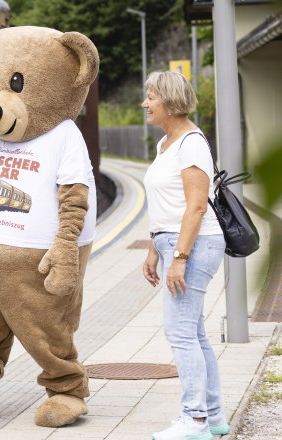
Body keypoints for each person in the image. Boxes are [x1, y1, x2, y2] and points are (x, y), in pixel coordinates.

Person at [141, 71, 230, 440]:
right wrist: (153, 248)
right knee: (193, 332)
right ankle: (213, 417)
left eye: (150, 96)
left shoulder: (191, 143)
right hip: (174, 243)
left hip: (195, 245)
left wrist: (179, 257)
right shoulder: (166, 144)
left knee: (179, 332)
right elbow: (167, 203)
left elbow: (195, 207)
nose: (144, 103)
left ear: (172, 101)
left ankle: (194, 421)